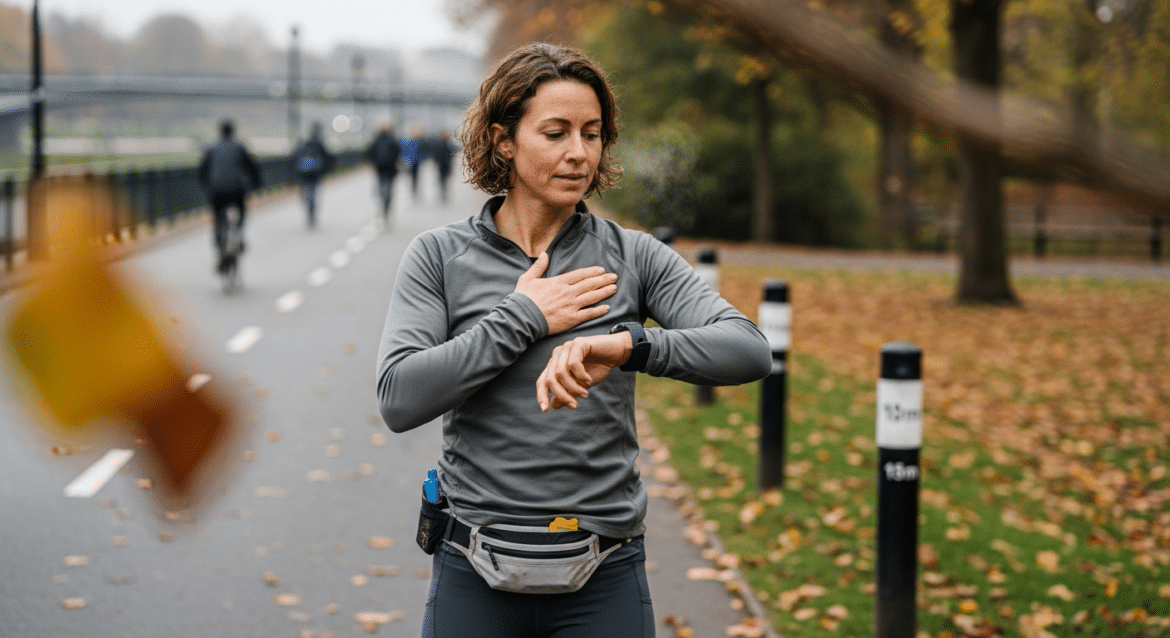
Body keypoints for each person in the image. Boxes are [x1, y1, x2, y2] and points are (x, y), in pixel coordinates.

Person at [375, 43, 772, 638]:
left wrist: (632, 347)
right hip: (471, 569)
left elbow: (747, 349)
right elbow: (400, 397)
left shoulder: (632, 255)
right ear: (504, 140)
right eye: (556, 133)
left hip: (605, 574)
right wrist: (523, 317)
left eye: (592, 133)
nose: (579, 153)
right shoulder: (438, 257)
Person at [198, 119, 260, 274]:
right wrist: (256, 182)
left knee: (218, 220)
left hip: (217, 191)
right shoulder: (239, 147)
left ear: (220, 132)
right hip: (236, 189)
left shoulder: (211, 148)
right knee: (241, 211)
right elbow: (251, 167)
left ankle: (221, 250)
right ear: (233, 132)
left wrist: (207, 186)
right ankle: (238, 234)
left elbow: (202, 171)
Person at [292, 122, 335, 228]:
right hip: (315, 174)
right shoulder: (319, 144)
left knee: (306, 193)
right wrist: (325, 171)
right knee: (313, 194)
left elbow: (294, 158)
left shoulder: (304, 144)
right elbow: (328, 158)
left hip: (303, 174)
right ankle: (312, 213)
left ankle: (309, 210)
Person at [365, 121, 402, 221]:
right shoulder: (392, 139)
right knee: (389, 189)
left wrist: (372, 163)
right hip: (391, 169)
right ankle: (386, 207)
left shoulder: (376, 139)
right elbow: (398, 152)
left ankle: (382, 201)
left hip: (380, 168)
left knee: (381, 187)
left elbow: (368, 152)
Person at [428, 129, 457, 204]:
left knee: (443, 179)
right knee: (444, 179)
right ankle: (443, 193)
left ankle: (443, 192)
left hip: (444, 164)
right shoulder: (445, 143)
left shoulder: (447, 143)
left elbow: (453, 152)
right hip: (444, 164)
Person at [401, 124, 427, 200]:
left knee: (417, 177)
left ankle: (415, 189)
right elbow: (405, 151)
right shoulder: (409, 141)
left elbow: (425, 151)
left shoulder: (422, 141)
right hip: (410, 161)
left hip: (418, 162)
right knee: (412, 177)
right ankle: (413, 189)